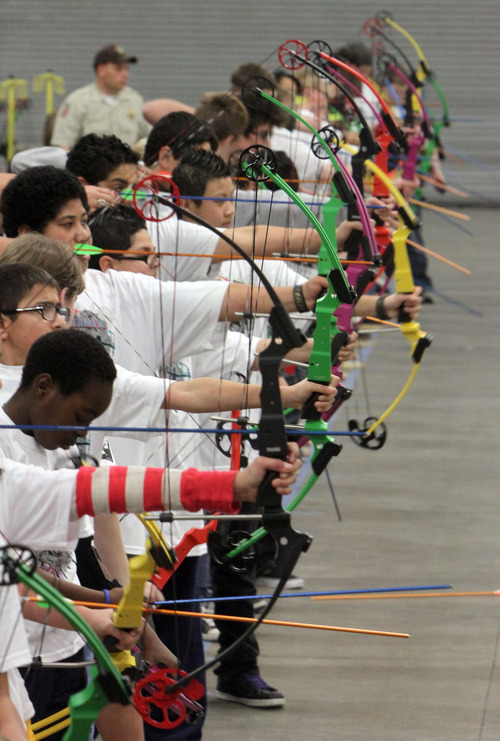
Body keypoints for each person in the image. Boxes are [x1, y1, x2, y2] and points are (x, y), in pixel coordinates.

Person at [50, 44, 151, 150]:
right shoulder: (78, 102)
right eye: (118, 69)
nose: (125, 74)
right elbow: (62, 146)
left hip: (127, 165)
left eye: (126, 69)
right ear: (101, 70)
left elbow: (148, 139)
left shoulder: (134, 101)